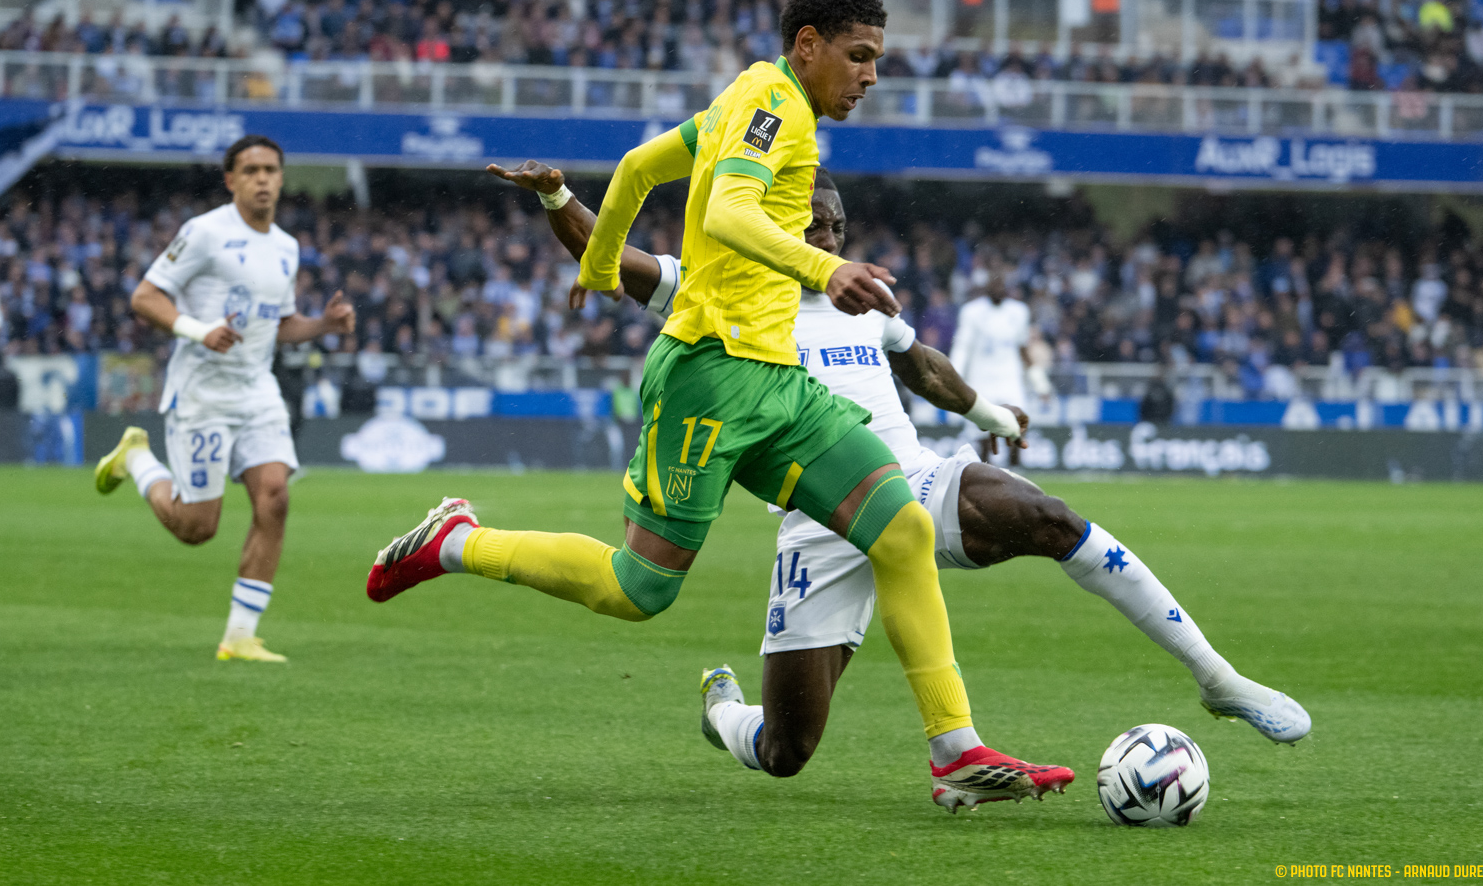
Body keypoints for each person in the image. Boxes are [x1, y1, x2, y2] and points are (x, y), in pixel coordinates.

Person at [365, 0, 1038, 810]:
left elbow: (639, 167)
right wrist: (827, 268)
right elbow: (725, 215)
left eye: (876, 59)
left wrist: (600, 264)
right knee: (638, 589)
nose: (870, 76)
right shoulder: (777, 107)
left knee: (901, 528)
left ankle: (956, 750)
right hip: (710, 379)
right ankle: (457, 541)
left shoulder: (746, 97)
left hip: (778, 381)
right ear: (808, 46)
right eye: (859, 56)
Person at [494, 159, 1312, 811]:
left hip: (908, 479)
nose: (827, 235)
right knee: (786, 751)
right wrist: (559, 197)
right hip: (818, 522)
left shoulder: (859, 297)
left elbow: (920, 364)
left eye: (836, 226)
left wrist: (990, 411)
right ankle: (724, 712)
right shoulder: (723, 289)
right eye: (812, 222)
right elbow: (616, 261)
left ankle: (1217, 678)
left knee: (1048, 518)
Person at [93, 135, 356, 662]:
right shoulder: (205, 232)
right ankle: (136, 459)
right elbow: (144, 297)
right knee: (197, 528)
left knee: (275, 498)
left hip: (257, 389)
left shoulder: (286, 247)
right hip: (203, 393)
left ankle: (240, 637)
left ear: (281, 178)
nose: (262, 179)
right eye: (251, 170)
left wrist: (324, 325)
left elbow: (280, 326)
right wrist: (198, 330)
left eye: (271, 170)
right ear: (231, 180)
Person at [949, 263, 1053, 451]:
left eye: (1001, 284)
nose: (998, 288)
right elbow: (962, 349)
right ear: (986, 286)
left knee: (1018, 430)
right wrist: (953, 380)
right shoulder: (971, 312)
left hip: (1009, 380)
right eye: (994, 284)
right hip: (981, 381)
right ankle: (986, 469)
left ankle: (1015, 468)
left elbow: (1023, 351)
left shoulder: (1019, 312)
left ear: (1007, 287)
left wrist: (1041, 385)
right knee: (982, 437)